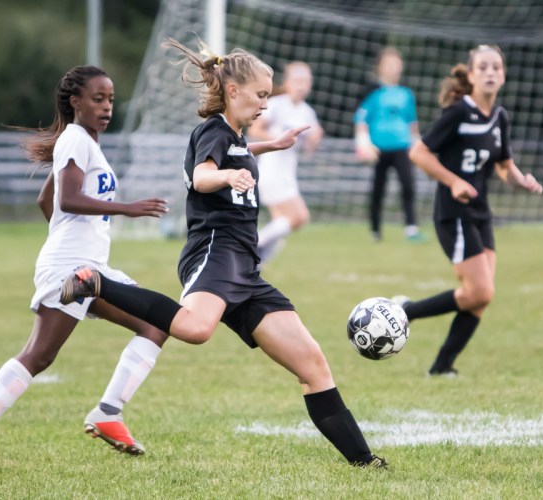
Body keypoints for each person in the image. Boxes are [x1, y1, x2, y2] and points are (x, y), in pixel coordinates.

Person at [59, 39, 387, 468]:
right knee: (195, 329)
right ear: (234, 92)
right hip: (214, 251)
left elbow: (237, 152)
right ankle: (98, 284)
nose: (266, 104)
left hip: (245, 267)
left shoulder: (233, 136)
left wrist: (272, 146)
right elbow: (202, 175)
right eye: (261, 95)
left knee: (312, 364)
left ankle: (365, 462)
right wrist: (228, 175)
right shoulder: (212, 130)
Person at [0, 65, 170, 461]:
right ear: (75, 102)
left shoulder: (81, 142)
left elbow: (46, 201)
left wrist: (67, 235)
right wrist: (126, 209)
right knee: (39, 355)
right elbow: (67, 199)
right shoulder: (76, 140)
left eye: (111, 99)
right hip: (72, 269)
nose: (106, 107)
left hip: (89, 268)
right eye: (98, 99)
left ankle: (107, 412)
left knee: (154, 324)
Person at [396, 45, 542, 376]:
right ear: (472, 75)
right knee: (480, 290)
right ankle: (407, 310)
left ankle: (442, 366)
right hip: (453, 212)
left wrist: (522, 180)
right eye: (484, 67)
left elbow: (504, 167)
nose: (491, 72)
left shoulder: (499, 117)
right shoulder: (459, 113)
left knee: (480, 297)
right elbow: (419, 153)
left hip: (480, 212)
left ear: (503, 75)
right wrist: (453, 182)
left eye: (496, 67)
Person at [248, 62, 324, 263]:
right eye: (298, 81)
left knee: (281, 224)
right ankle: (252, 245)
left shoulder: (307, 112)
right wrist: (276, 140)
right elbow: (254, 130)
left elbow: (310, 144)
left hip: (288, 174)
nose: (302, 86)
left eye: (306, 81)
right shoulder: (276, 104)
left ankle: (254, 266)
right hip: (272, 172)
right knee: (299, 218)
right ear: (287, 82)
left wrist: (314, 139)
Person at [354, 47, 424, 242]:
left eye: (395, 63)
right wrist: (363, 144)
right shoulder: (374, 92)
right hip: (379, 149)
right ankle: (375, 230)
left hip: (402, 147)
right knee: (378, 189)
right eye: (388, 64)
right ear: (380, 67)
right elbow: (361, 119)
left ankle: (411, 228)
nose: (392, 67)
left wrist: (416, 145)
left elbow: (412, 123)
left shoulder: (406, 94)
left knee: (408, 186)